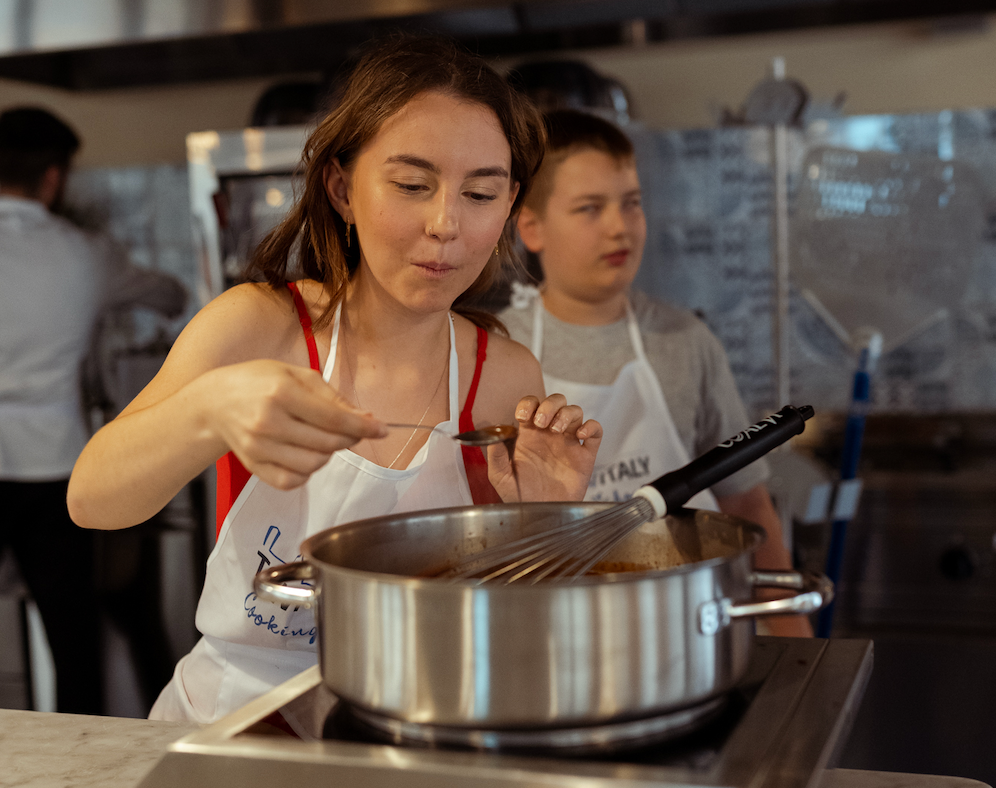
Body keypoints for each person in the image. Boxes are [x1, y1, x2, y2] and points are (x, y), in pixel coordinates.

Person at [67, 36, 602, 723]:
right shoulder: (260, 326)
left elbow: (505, 620)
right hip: (234, 722)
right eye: (412, 185)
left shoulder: (503, 371)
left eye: (480, 193)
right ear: (343, 187)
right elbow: (93, 501)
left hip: (413, 722)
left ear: (508, 206)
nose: (446, 224)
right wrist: (208, 409)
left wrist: (548, 524)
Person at [499, 109, 811, 637]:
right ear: (531, 226)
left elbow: (745, 499)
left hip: (695, 624)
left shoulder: (685, 340)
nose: (619, 226)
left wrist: (794, 638)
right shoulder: (500, 351)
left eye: (631, 203)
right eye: (589, 208)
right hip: (558, 633)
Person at [0, 106, 187, 714]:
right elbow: (170, 294)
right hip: (56, 466)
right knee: (71, 632)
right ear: (53, 178)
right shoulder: (87, 254)